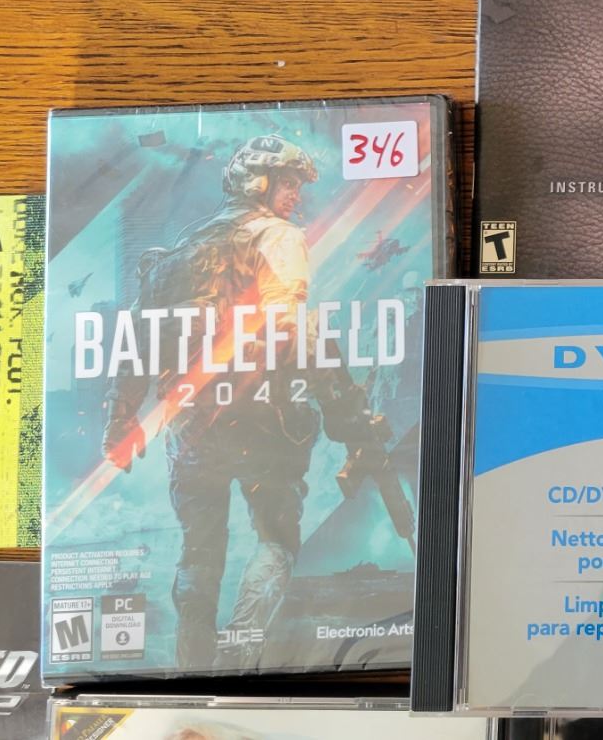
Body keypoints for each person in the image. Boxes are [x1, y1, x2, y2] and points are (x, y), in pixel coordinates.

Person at [103, 135, 392, 669]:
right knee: (277, 541)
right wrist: (351, 424)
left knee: (198, 554)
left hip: (192, 429)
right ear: (258, 182)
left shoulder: (172, 257)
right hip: (269, 421)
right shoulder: (278, 236)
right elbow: (297, 332)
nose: (296, 196)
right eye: (288, 184)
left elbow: (137, 344)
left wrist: (120, 422)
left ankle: (193, 666)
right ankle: (240, 655)